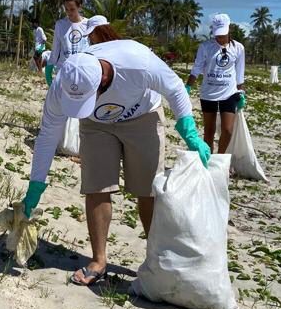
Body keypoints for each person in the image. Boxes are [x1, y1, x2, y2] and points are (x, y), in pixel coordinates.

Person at [20, 15, 212, 286]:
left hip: (142, 116)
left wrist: (188, 129)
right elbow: (48, 136)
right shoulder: (64, 82)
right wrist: (36, 185)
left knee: (147, 190)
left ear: (103, 80)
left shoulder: (136, 61)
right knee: (96, 186)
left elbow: (176, 88)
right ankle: (99, 260)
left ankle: (156, 259)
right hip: (97, 125)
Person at [185, 14, 245, 153]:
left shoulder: (238, 48)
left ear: (229, 30)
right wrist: (188, 87)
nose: (219, 37)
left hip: (229, 93)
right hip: (208, 94)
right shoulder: (205, 47)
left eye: (222, 34)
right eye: (217, 34)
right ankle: (208, 158)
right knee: (209, 132)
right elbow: (196, 69)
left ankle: (220, 158)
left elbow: (240, 72)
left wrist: (241, 92)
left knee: (228, 130)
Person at [46, 0, 90, 86]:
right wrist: (49, 67)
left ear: (79, 7)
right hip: (63, 72)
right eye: (66, 9)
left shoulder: (88, 24)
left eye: (72, 9)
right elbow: (55, 48)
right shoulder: (60, 24)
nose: (69, 12)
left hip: (83, 72)